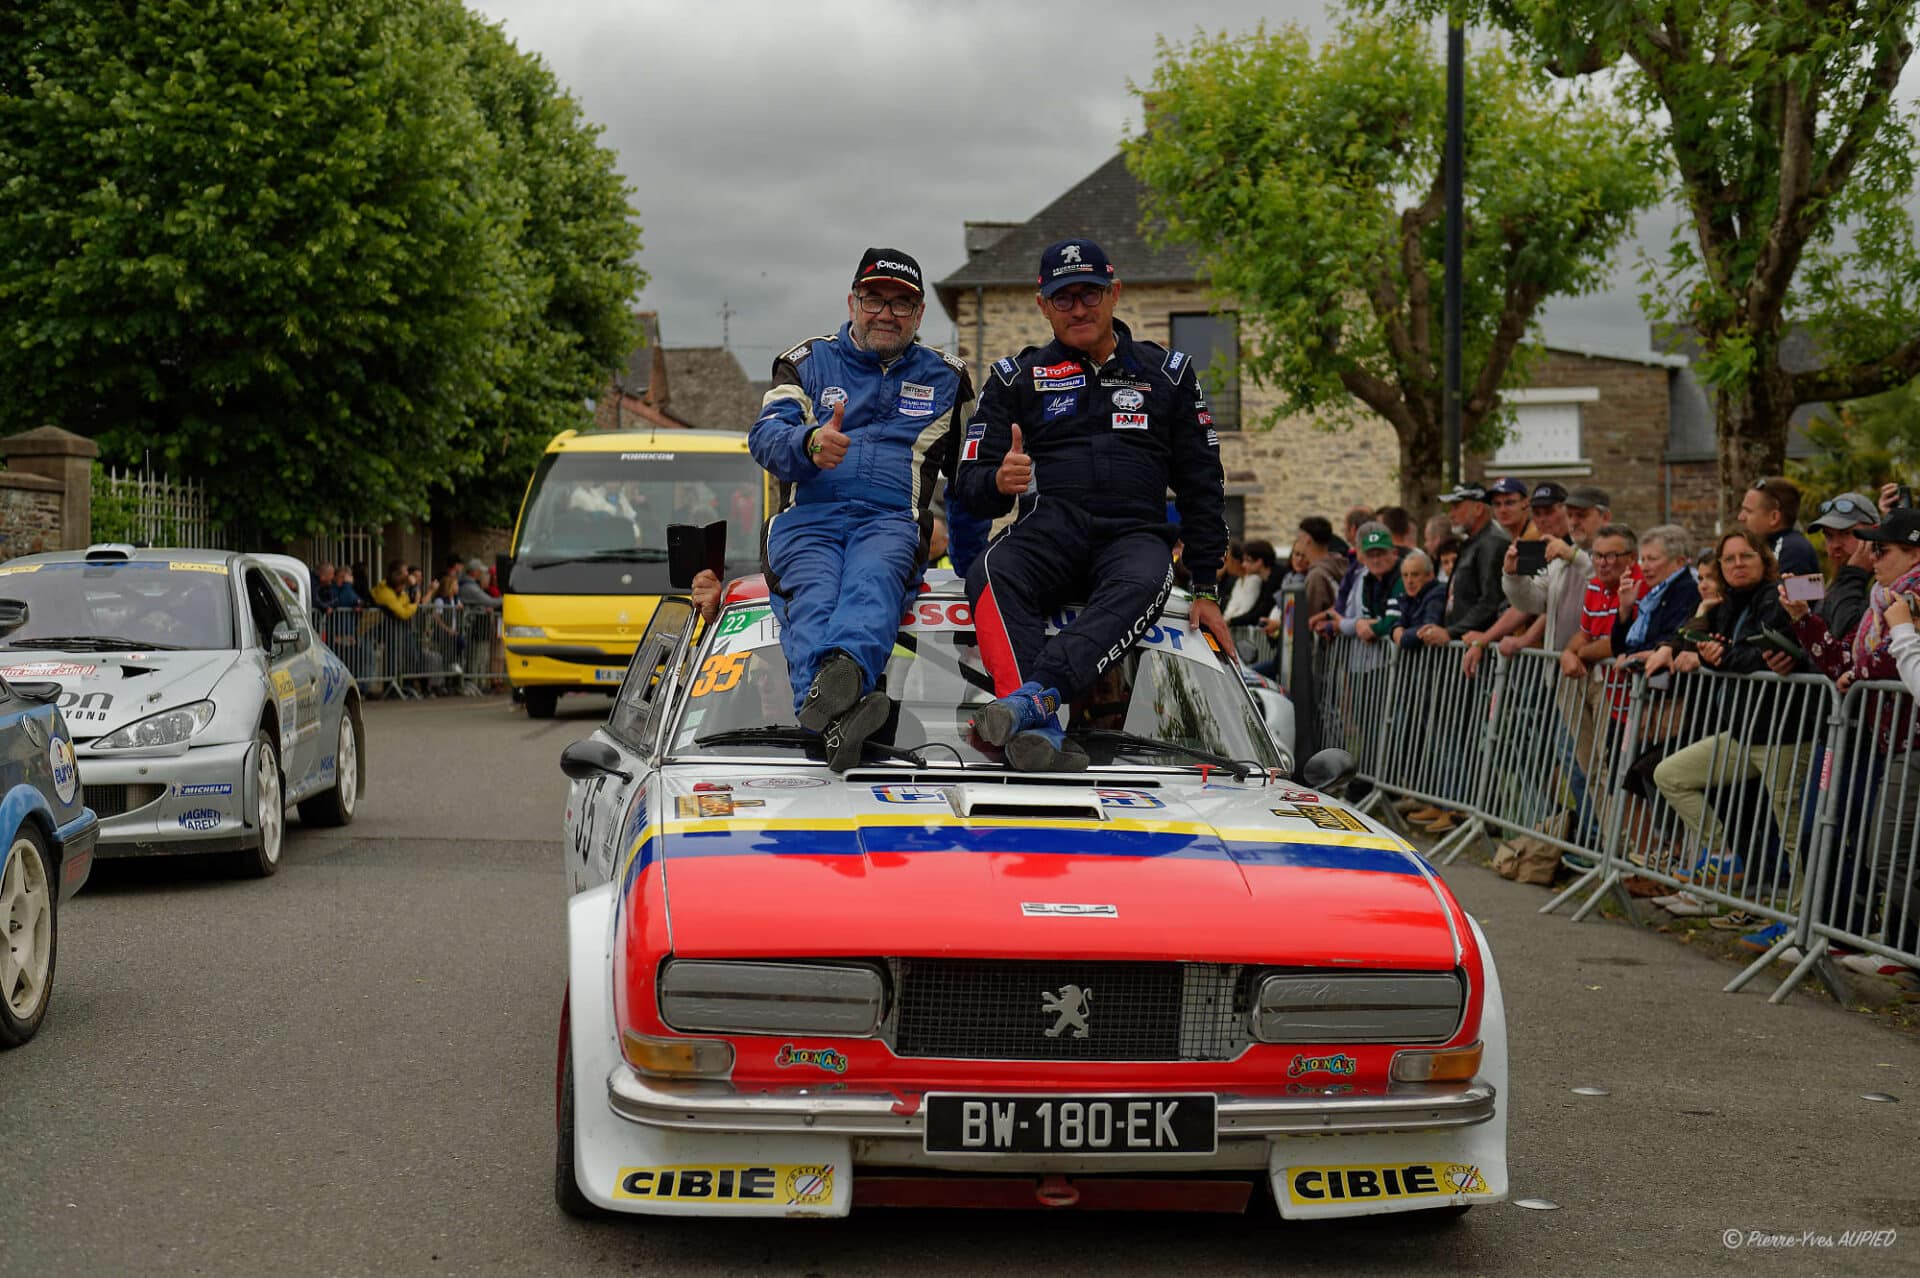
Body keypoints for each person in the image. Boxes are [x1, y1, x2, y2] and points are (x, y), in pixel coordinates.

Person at [954, 237, 1231, 771]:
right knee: (990, 568)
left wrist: (1206, 585)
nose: (1078, 308)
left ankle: (1033, 702)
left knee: (1150, 577)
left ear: (1115, 293)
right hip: (1051, 527)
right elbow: (968, 484)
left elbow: (1203, 484)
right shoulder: (1015, 377)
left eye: (1090, 294)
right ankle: (1042, 730)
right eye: (1063, 298)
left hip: (1134, 537)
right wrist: (999, 480)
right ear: (1043, 306)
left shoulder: (1170, 372)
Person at [748, 247, 974, 770]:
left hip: (891, 522)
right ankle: (844, 711)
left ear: (919, 316)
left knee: (873, 580)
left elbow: (970, 481)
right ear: (853, 302)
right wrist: (807, 445)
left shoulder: (950, 377)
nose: (886, 313)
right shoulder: (804, 361)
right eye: (874, 299)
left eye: (901, 304)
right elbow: (764, 436)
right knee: (814, 598)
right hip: (808, 521)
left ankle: (840, 680)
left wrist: (973, 567)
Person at [1649, 531, 1818, 932]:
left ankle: (1801, 923)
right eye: (1729, 559)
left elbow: (1766, 651)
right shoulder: (1727, 603)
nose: (1738, 564)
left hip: (1784, 734)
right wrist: (1706, 622)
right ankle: (1723, 856)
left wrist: (1722, 656)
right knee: (1669, 774)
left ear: (1763, 561)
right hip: (1743, 733)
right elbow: (1696, 637)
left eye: (1746, 556)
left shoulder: (1777, 596)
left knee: (1793, 834)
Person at [1418, 483, 1509, 646]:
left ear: (1478, 508)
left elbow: (1490, 601)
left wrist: (1450, 632)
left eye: (1456, 507)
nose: (1450, 514)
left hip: (1478, 649)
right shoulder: (1471, 542)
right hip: (1462, 645)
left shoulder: (1492, 542)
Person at [1613, 524, 1701, 660]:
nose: (1644, 567)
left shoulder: (1686, 591)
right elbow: (1618, 648)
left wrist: (1631, 656)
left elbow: (1667, 638)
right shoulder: (1655, 595)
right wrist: (1625, 609)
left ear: (1679, 562)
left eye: (1652, 559)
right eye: (1643, 560)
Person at [1805, 490, 1879, 643]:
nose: (1835, 545)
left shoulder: (1885, 582)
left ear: (1874, 533)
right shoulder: (1838, 579)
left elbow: (1846, 637)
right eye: (1829, 536)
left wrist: (1854, 574)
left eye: (1846, 533)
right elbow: (1827, 644)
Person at [1739, 476, 1821, 576]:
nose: (1740, 517)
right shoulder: (1767, 547)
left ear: (1774, 517)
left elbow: (1783, 591)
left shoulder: (1792, 551)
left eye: (1748, 511)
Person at [1293, 517, 1347, 626]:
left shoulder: (1316, 575)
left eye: (1299, 538)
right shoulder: (1342, 564)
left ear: (1307, 539)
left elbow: (1309, 615)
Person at [1385, 549, 1445, 648]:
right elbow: (1399, 622)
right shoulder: (1409, 597)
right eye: (1405, 575)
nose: (1409, 581)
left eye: (1415, 575)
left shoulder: (1438, 594)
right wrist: (1395, 629)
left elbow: (1429, 628)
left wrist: (1402, 638)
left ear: (1430, 575)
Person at [1227, 539, 1280, 629]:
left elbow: (1261, 610)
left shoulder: (1276, 577)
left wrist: (1231, 621)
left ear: (1259, 562)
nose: (1243, 565)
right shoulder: (1266, 580)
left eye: (1248, 560)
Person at [1486, 477, 1536, 543]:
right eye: (1497, 504)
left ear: (1525, 503)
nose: (1502, 510)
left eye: (1509, 503)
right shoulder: (1504, 537)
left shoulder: (1536, 536)